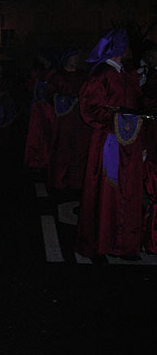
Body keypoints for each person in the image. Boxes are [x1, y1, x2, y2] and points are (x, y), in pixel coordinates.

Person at [75, 29, 144, 260]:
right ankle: (101, 242)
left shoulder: (124, 74)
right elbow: (89, 108)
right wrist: (115, 118)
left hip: (128, 142)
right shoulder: (102, 74)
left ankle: (122, 243)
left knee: (127, 190)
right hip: (108, 142)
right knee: (106, 191)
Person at [46, 49, 91, 192]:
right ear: (67, 58)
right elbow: (49, 95)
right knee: (63, 149)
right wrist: (66, 101)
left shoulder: (83, 75)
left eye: (78, 56)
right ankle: (60, 181)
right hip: (64, 120)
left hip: (81, 119)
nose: (77, 59)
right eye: (74, 56)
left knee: (80, 149)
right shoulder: (58, 76)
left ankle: (78, 182)